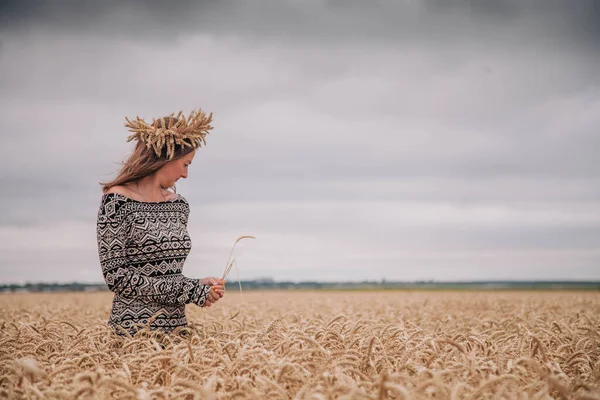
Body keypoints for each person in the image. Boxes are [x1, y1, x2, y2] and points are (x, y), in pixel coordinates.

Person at [96, 109, 224, 336]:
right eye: (186, 164)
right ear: (167, 155)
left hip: (177, 332)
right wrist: (188, 290)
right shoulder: (116, 201)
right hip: (133, 335)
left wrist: (198, 286)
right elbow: (117, 276)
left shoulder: (179, 206)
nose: (185, 175)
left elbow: (167, 274)